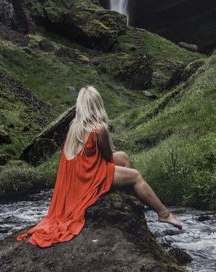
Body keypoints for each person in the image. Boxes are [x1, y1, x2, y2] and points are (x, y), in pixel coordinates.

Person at [16, 85, 183, 247]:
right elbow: (108, 157)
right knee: (135, 175)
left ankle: (128, 201)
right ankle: (164, 214)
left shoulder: (74, 126)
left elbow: (86, 157)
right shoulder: (99, 129)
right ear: (98, 104)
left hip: (76, 176)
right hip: (87, 178)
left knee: (123, 157)